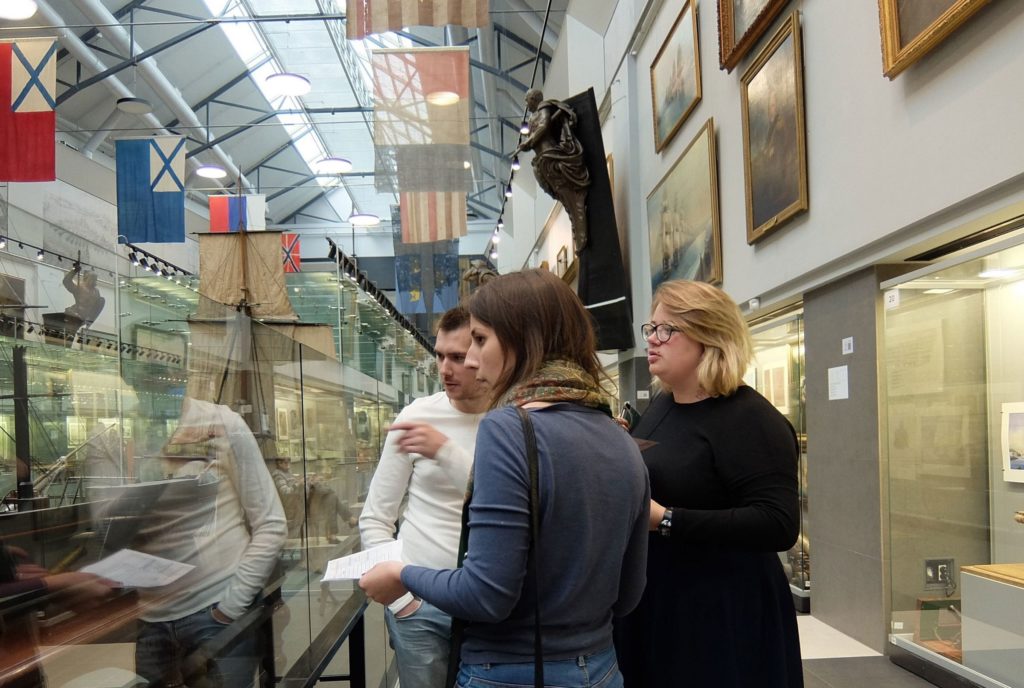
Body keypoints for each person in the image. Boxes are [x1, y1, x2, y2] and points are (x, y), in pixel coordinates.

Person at [360, 269, 650, 688]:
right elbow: (628, 593)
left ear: (521, 337)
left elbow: (486, 594)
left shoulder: (508, 427)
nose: (469, 360)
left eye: (480, 340)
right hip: (599, 666)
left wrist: (401, 575)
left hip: (509, 668)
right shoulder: (617, 434)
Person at [614, 279, 803, 688]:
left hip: (723, 610)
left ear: (710, 337)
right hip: (660, 597)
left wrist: (668, 520)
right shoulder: (663, 405)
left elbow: (778, 523)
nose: (653, 339)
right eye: (651, 328)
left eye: (667, 329)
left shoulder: (751, 418)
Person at [358, 306, 489, 688]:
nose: (445, 369)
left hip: (488, 604)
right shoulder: (417, 416)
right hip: (421, 605)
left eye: (457, 357)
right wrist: (403, 602)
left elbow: (509, 502)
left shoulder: (512, 419)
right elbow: (376, 516)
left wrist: (446, 452)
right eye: (440, 356)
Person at [130, 398, 287, 688]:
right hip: (150, 619)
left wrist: (229, 608)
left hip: (214, 609)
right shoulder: (127, 425)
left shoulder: (223, 423)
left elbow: (271, 523)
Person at [514, 89, 591, 254]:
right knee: (555, 190)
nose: (526, 104)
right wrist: (527, 144)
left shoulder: (544, 108)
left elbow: (544, 125)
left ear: (534, 99)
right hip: (541, 160)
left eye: (527, 100)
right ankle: (574, 217)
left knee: (566, 193)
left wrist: (529, 141)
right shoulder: (532, 117)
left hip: (549, 155)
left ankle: (579, 225)